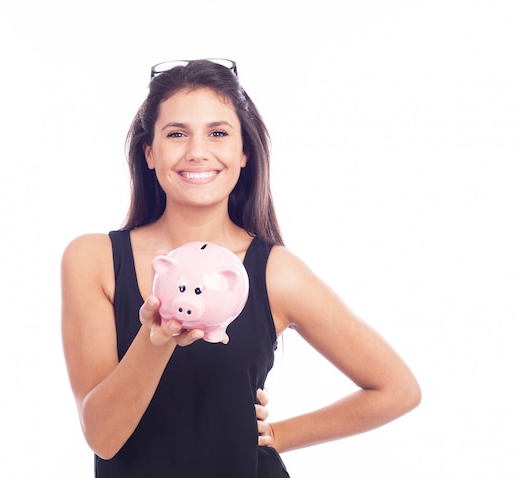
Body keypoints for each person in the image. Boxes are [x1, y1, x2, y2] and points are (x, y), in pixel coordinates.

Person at [61, 58, 421, 477]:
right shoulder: (94, 260)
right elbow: (103, 437)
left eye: (218, 133)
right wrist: (154, 340)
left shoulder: (274, 272)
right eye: (176, 134)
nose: (198, 152)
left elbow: (397, 389)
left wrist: (278, 435)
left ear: (243, 152)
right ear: (150, 153)